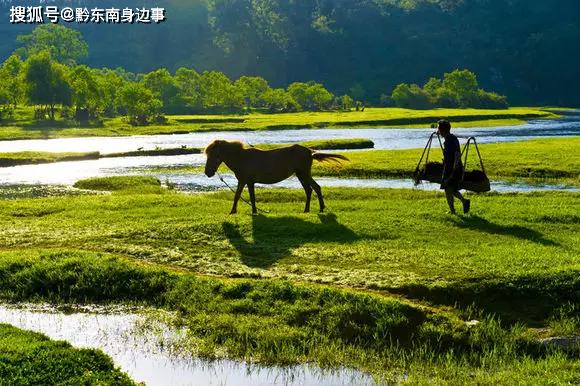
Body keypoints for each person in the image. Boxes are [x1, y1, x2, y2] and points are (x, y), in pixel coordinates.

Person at [438, 120, 470, 214]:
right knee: (450, 189)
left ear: (443, 130)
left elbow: (457, 154)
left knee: (448, 189)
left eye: (439, 128)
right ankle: (463, 202)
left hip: (453, 168)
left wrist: (454, 169)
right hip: (449, 167)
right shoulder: (450, 138)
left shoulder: (450, 140)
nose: (438, 131)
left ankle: (455, 209)